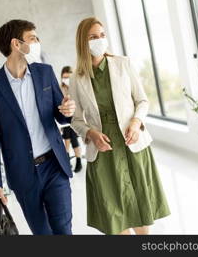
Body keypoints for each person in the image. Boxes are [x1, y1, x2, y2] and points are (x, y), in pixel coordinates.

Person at [69, 17, 171, 235]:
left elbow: (142, 101)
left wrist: (136, 123)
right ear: (82, 42)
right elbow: (76, 120)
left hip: (132, 142)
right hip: (102, 150)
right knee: (114, 213)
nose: (100, 40)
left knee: (140, 206)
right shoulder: (77, 78)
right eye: (93, 37)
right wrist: (91, 133)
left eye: (102, 35)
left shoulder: (123, 64)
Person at [0, 19, 76, 235]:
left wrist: (67, 111)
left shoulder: (44, 72)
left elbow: (60, 115)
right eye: (33, 38)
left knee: (63, 229)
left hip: (54, 166)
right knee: (42, 233)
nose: (37, 42)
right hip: (23, 174)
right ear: (16, 44)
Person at [60, 66, 82, 173]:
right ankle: (68, 160)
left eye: (68, 77)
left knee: (72, 138)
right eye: (64, 77)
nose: (65, 80)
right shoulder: (61, 88)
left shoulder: (76, 87)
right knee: (66, 137)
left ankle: (77, 161)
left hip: (76, 118)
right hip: (65, 119)